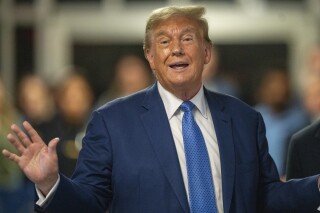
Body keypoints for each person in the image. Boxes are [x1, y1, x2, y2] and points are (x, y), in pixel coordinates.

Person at [2, 5, 320, 213]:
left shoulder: (244, 119)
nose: (177, 48)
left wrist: (316, 186)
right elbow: (90, 202)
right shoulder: (111, 122)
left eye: (187, 38)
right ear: (150, 57)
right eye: (164, 42)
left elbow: (264, 196)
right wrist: (50, 184)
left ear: (207, 52)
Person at [254, 66, 309, 179]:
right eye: (272, 84)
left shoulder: (300, 120)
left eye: (282, 84)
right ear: (263, 89)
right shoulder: (252, 117)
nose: (278, 89)